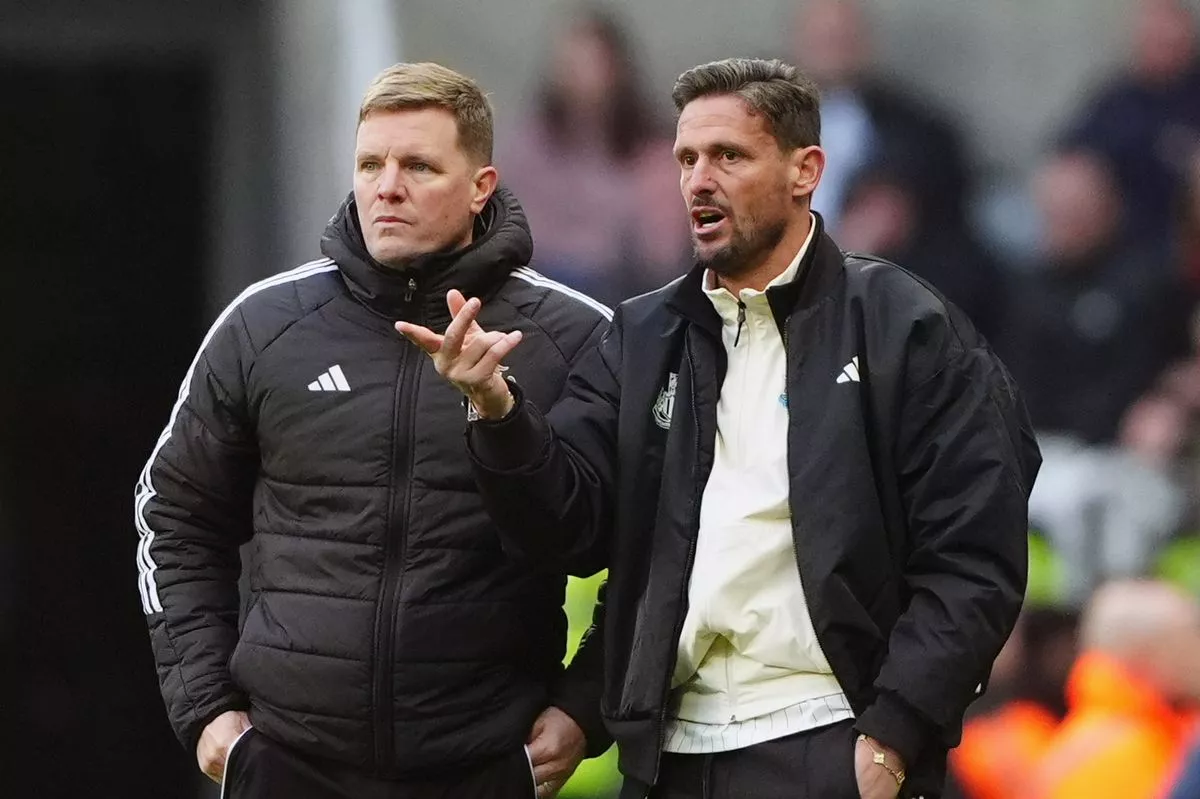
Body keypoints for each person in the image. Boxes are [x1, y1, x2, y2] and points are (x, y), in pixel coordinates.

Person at [399, 57, 1040, 799]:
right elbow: (572, 531)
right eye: (686, 159)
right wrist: (498, 412)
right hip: (674, 752)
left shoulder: (906, 327)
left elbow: (975, 559)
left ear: (806, 171)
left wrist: (893, 734)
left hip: (833, 741)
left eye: (728, 156)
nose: (698, 180)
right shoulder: (641, 336)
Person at [135, 62, 612, 798]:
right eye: (370, 164)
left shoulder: (577, 337)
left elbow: (657, 547)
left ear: (481, 186)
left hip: (484, 764)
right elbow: (174, 515)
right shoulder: (265, 324)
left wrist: (585, 707)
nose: (386, 186)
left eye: (418, 165)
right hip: (287, 763)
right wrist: (207, 710)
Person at [498, 5, 689, 306]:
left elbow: (661, 255)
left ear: (617, 67)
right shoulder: (532, 145)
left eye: (590, 63)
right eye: (569, 63)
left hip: (627, 296)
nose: (578, 76)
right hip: (543, 294)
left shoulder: (654, 153)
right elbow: (513, 230)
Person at [1029, 580, 1200, 799]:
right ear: (1146, 653)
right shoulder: (1122, 752)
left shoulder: (1139, 730)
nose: (1197, 652)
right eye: (1190, 636)